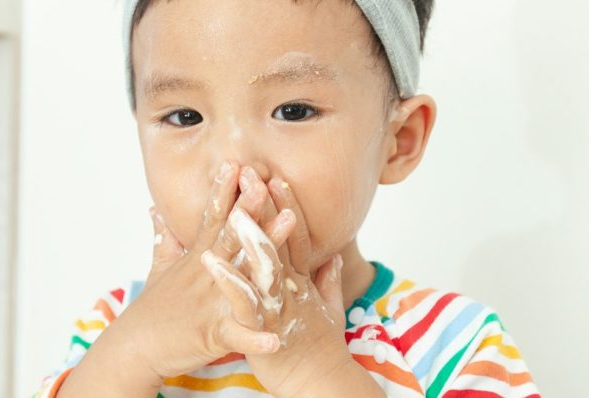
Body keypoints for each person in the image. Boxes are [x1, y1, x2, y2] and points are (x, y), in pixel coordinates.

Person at [35, 0, 540, 396]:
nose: (234, 166)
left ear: (399, 140)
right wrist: (134, 355)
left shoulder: (455, 344)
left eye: (293, 110)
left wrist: (313, 371)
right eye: (185, 117)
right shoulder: (117, 327)